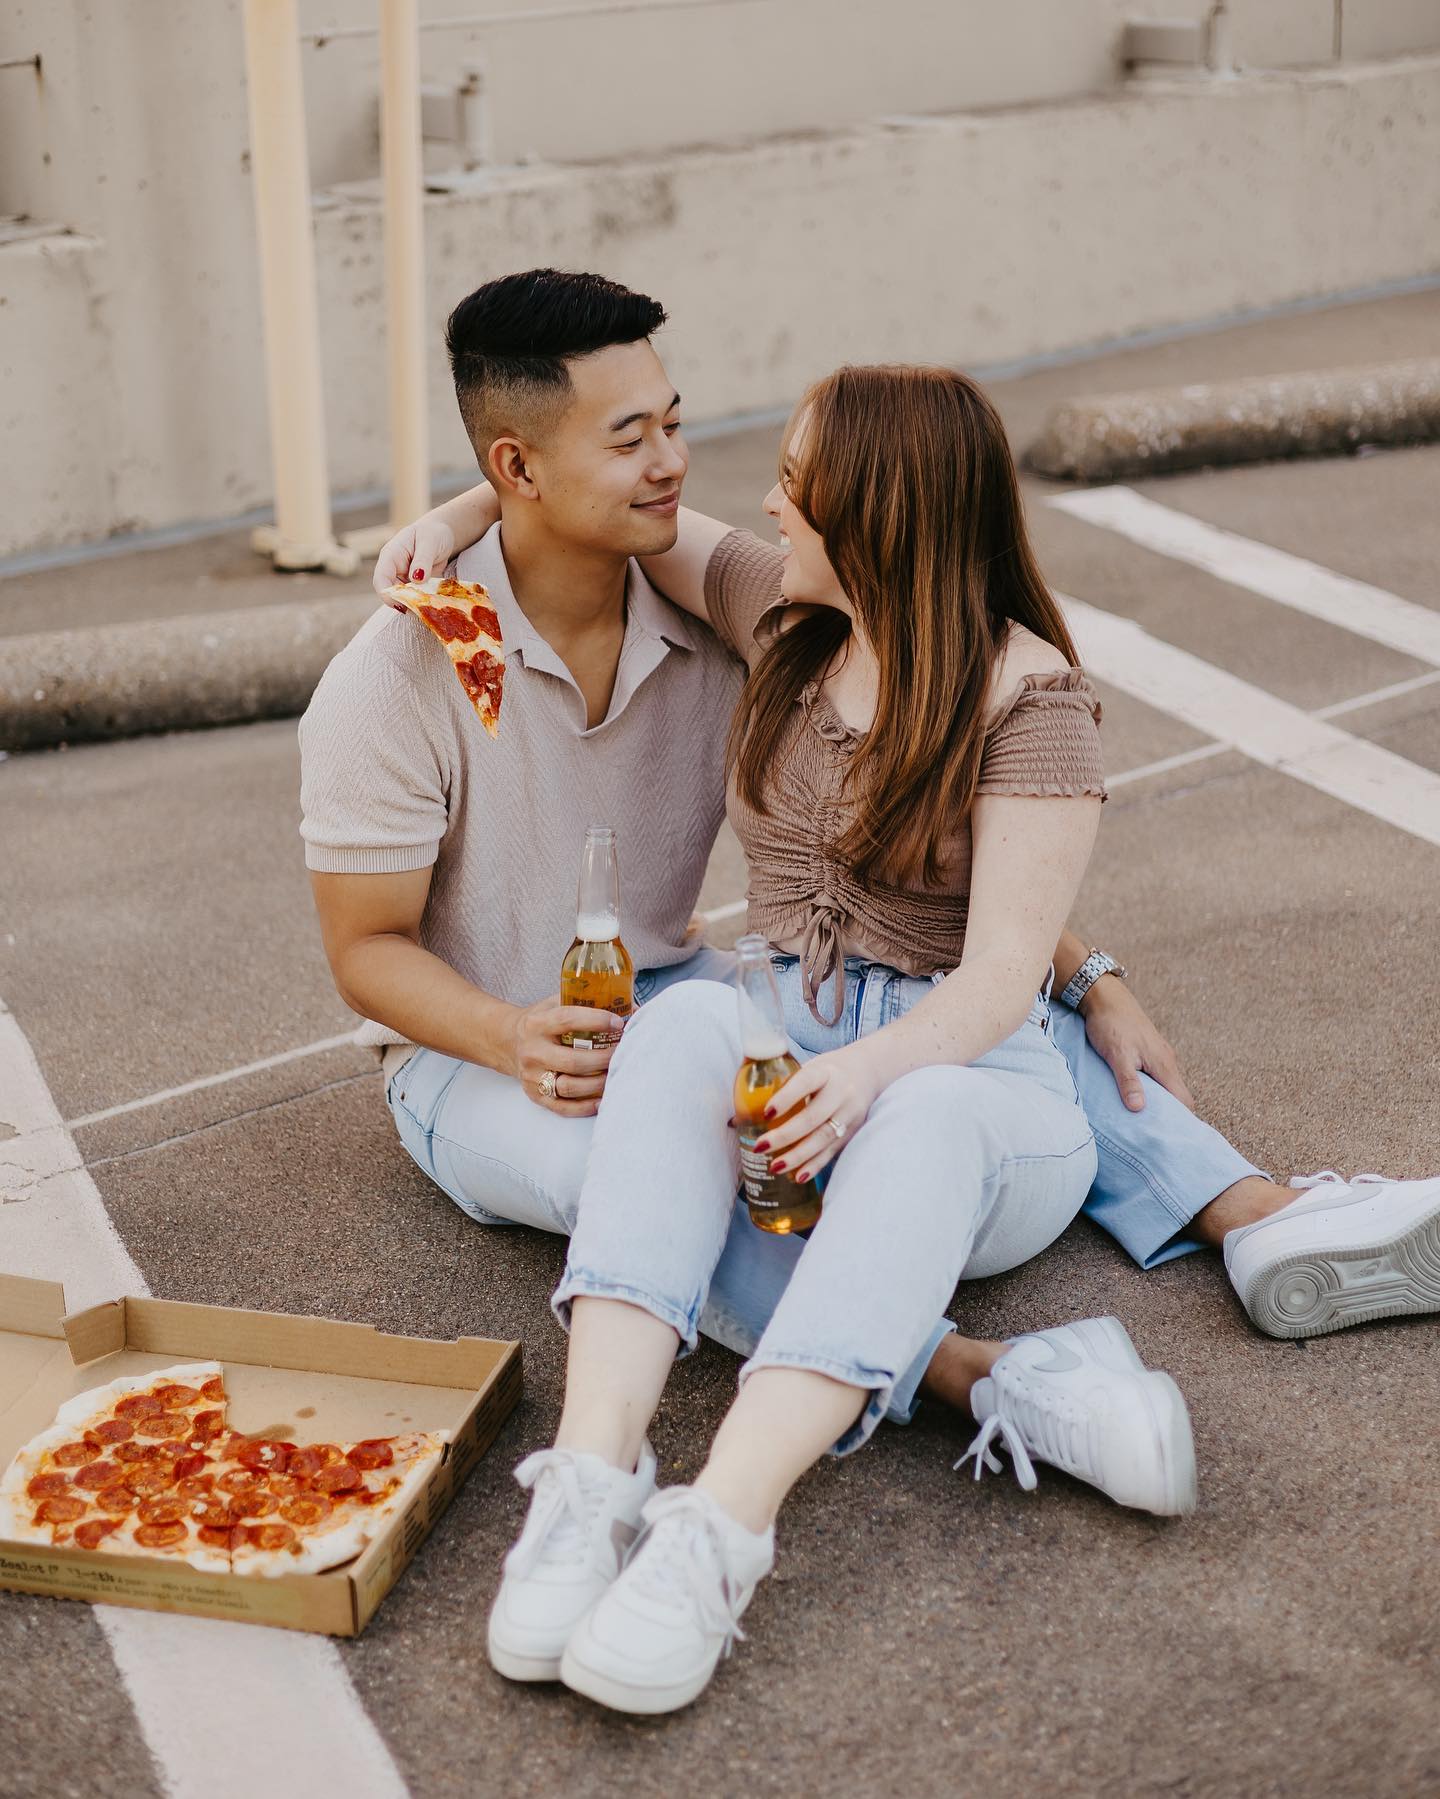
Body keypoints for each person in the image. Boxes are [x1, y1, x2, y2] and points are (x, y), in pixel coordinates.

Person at [339, 267, 1437, 1364]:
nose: (679, 464)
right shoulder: (424, 668)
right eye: (633, 438)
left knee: (982, 1015)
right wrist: (509, 1034)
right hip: (496, 1050)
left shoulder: (770, 617)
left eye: (673, 426)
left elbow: (929, 876)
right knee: (667, 1168)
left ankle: (1254, 1212)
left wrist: (1085, 972)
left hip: (708, 1000)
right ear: (521, 464)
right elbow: (364, 949)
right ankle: (969, 1373)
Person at [487, 360, 1202, 1713]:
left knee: (920, 1112)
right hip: (790, 1049)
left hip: (971, 1095)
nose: (763, 502)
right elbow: (593, 499)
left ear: (874, 512)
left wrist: (869, 1074)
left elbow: (997, 981)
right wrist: (478, 496)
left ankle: (722, 1526)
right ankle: (590, 1482)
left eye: (797, 486)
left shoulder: (1031, 699)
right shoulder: (790, 613)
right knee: (685, 1013)